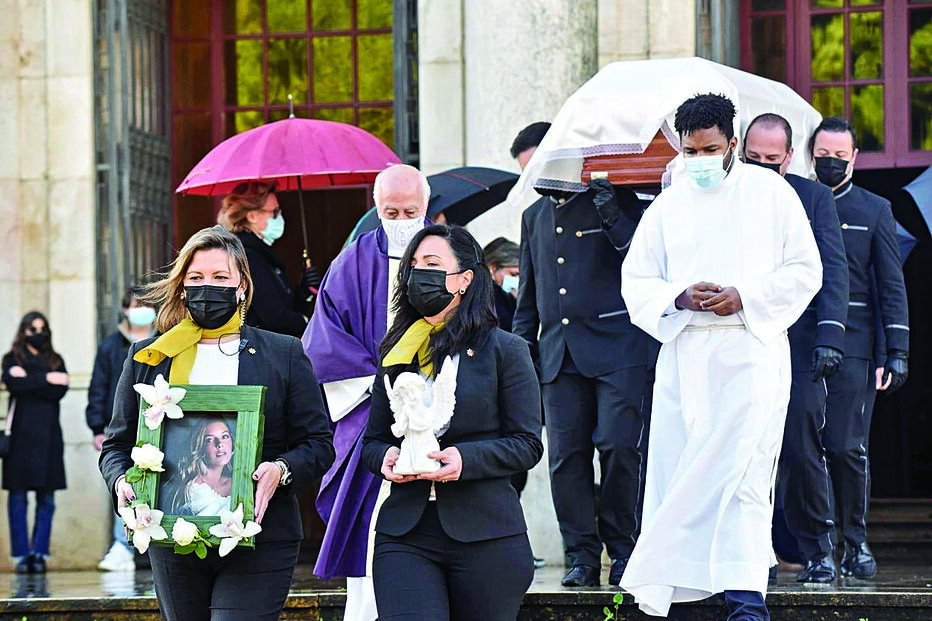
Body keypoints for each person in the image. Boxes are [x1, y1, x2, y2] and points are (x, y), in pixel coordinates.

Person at [619, 93, 822, 620]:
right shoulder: (668, 204)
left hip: (750, 351)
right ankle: (679, 587)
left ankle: (745, 595)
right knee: (681, 467)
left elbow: (805, 271)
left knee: (745, 472)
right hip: (686, 354)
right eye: (690, 151)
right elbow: (637, 280)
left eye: (710, 149)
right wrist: (680, 297)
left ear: (733, 144)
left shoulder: (771, 195)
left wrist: (744, 297)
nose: (699, 161)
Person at [99, 225, 334, 620]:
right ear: (181, 286)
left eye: (220, 277)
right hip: (171, 539)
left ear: (242, 284)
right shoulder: (149, 357)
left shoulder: (284, 354)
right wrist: (122, 482)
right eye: (196, 278)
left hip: (261, 535)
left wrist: (281, 469)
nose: (207, 287)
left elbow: (319, 443)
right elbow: (117, 447)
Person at [362, 224, 543, 621]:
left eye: (431, 264)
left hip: (487, 534)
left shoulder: (506, 350)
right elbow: (372, 441)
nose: (417, 275)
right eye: (413, 266)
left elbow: (528, 443)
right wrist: (387, 458)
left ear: (464, 279)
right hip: (405, 533)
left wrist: (464, 459)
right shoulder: (396, 351)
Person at [512, 135, 655, 586]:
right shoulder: (533, 216)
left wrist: (612, 212)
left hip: (618, 350)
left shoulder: (614, 197)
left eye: (537, 163)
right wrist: (522, 356)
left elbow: (642, 259)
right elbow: (528, 299)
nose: (532, 174)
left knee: (618, 446)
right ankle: (580, 556)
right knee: (566, 459)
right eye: (524, 168)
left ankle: (624, 549)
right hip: (558, 357)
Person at [303, 163, 431, 621]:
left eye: (410, 211)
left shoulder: (451, 253)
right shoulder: (351, 262)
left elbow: (478, 322)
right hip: (368, 413)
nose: (401, 221)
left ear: (426, 207)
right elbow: (324, 339)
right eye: (390, 212)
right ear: (376, 209)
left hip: (441, 412)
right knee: (371, 524)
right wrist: (383, 388)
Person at [742, 113, 851, 583]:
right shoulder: (728, 198)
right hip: (742, 338)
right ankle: (745, 552)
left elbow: (832, 270)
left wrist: (830, 336)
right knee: (741, 449)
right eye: (753, 158)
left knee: (801, 447)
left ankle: (817, 550)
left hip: (800, 343)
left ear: (789, 157)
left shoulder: (814, 197)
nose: (763, 166)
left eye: (772, 158)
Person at [809, 117, 909, 579]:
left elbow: (890, 284)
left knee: (847, 447)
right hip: (799, 340)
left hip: (857, 345)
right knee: (802, 449)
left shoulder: (875, 210)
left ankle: (855, 541)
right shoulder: (797, 203)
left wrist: (897, 351)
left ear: (854, 158)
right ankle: (814, 548)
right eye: (822, 154)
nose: (830, 162)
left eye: (839, 156)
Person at [89, 286, 158, 572]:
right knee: (123, 483)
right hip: (122, 425)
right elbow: (99, 386)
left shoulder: (164, 340)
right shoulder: (111, 346)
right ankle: (124, 545)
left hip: (157, 420)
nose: (141, 309)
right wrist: (97, 427)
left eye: (146, 304)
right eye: (136, 304)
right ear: (125, 309)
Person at [2, 311, 70, 574]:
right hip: (19, 438)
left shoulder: (56, 359)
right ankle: (21, 555)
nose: (38, 334)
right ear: (23, 331)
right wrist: (45, 379)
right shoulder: (11, 358)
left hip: (49, 438)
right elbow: (14, 386)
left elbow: (59, 391)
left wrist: (28, 379)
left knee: (47, 499)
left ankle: (39, 553)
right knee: (18, 498)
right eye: (32, 329)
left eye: (42, 328)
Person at [217, 181, 320, 338]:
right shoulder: (247, 257)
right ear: (252, 216)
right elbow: (275, 318)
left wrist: (304, 291)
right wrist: (310, 324)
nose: (279, 217)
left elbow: (284, 306)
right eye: (274, 212)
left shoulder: (261, 253)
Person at [167, 417, 235, 517]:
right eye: (210, 440)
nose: (220, 444)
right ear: (200, 446)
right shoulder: (196, 488)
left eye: (224, 436)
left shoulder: (234, 482)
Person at [483, 237, 520, 332]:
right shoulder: (486, 296)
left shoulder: (510, 296)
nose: (517, 280)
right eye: (514, 274)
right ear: (493, 267)